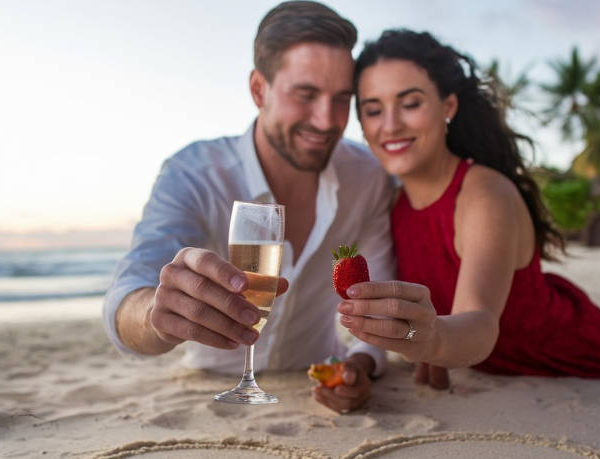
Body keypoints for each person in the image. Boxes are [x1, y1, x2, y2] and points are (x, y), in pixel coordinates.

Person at [338, 29, 600, 389]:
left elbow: (479, 320)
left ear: (448, 106)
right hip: (472, 363)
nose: (390, 125)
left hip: (558, 356)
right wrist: (431, 347)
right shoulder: (389, 201)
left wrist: (433, 341)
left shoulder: (484, 194)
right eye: (373, 110)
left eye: (411, 103)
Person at [103, 2, 396, 412]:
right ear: (259, 90)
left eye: (341, 99)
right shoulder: (194, 172)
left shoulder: (368, 177)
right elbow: (123, 303)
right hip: (210, 392)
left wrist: (359, 366)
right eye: (306, 94)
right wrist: (157, 312)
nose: (328, 120)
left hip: (308, 392)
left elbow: (374, 305)